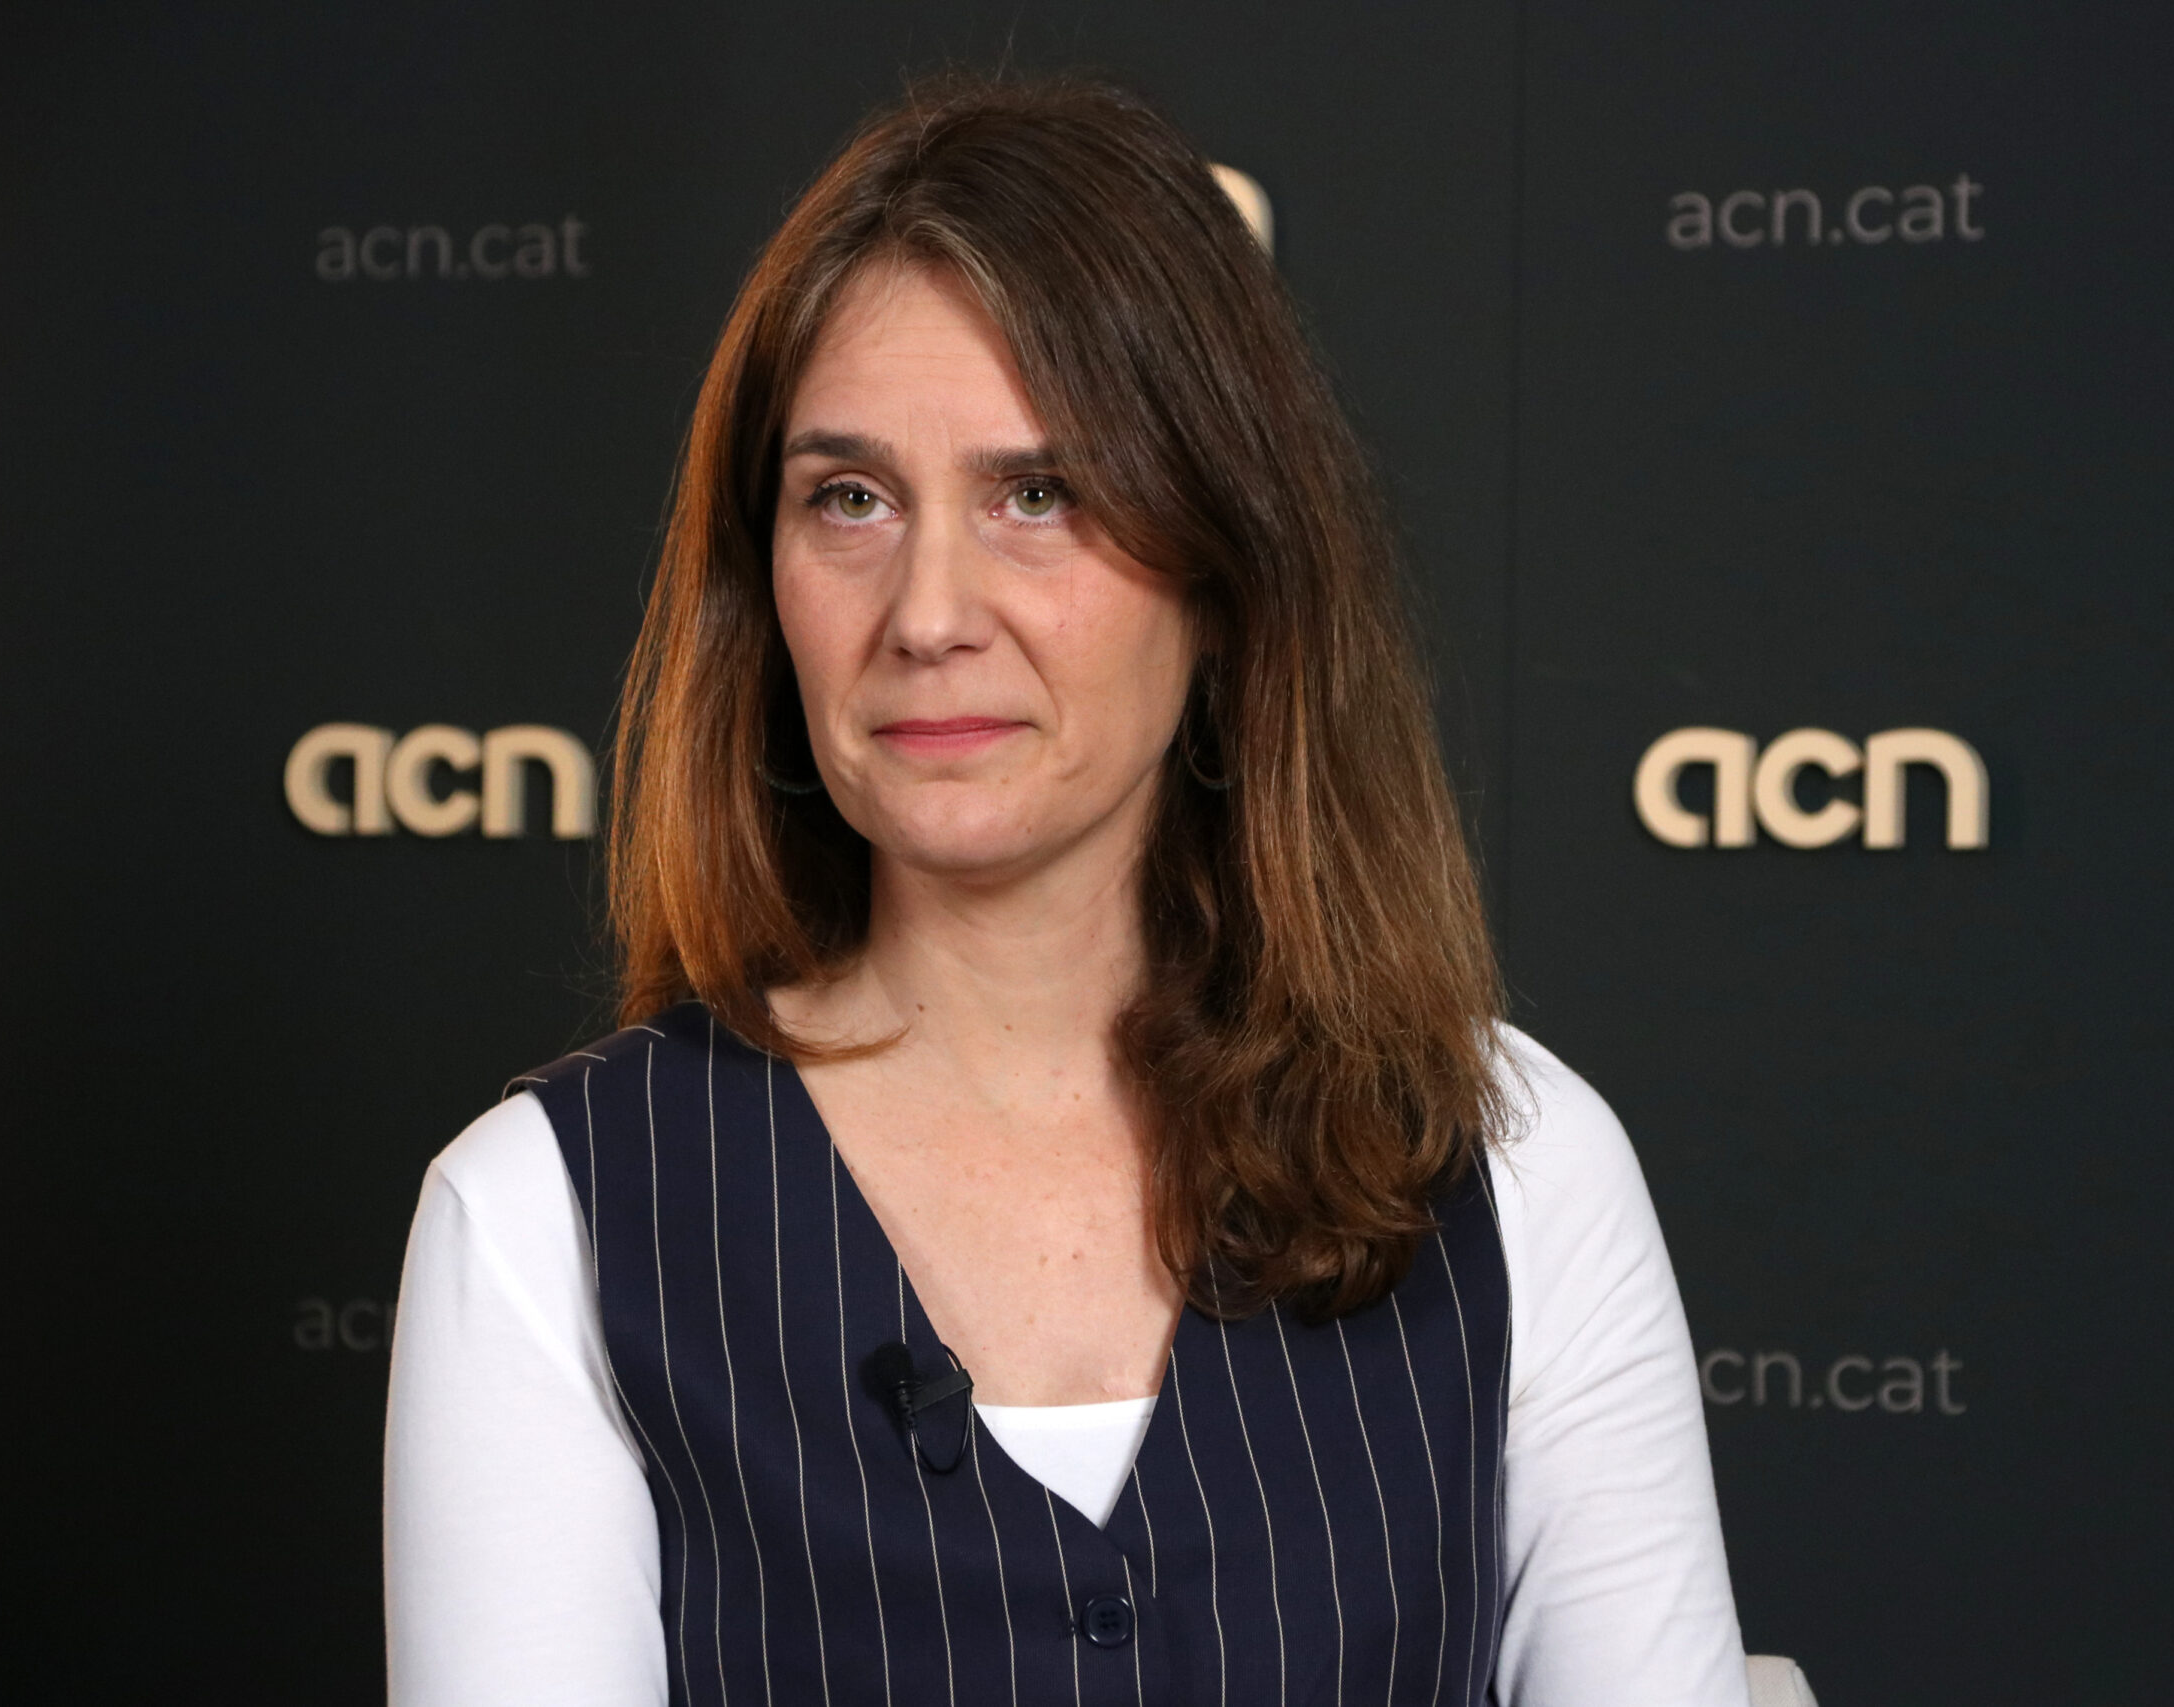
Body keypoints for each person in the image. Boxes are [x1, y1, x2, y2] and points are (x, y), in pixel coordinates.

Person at [383, 72, 1748, 1707]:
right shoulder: (543, 1217)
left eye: (1039, 495)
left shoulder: (1519, 1167)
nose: (928, 614)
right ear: (766, 586)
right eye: (851, 499)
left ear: (1225, 569)